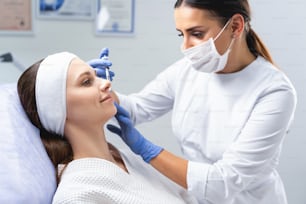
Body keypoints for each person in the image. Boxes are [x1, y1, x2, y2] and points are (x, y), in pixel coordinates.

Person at [88, 0, 297, 204]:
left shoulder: (274, 91)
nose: (185, 47)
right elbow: (135, 109)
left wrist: (146, 150)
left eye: (196, 34)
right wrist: (99, 86)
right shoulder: (186, 71)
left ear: (235, 26)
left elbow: (223, 183)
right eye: (181, 34)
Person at [17, 52, 198, 204]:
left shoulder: (125, 158)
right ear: (58, 109)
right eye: (87, 82)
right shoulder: (76, 196)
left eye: (96, 76)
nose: (106, 83)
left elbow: (189, 195)